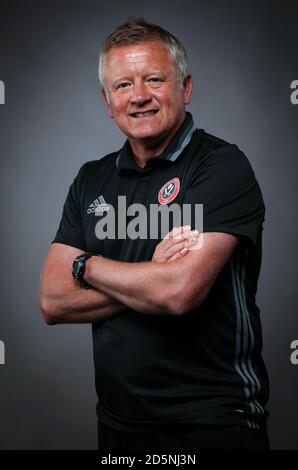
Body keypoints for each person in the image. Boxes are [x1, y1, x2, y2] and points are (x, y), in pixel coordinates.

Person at [39, 17, 270, 450]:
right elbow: (52, 300)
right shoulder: (90, 179)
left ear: (184, 88)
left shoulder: (222, 167)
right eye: (123, 86)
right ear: (108, 102)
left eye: (154, 79)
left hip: (215, 421)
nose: (139, 96)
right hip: (119, 424)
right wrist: (148, 277)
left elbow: (178, 293)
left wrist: (85, 265)